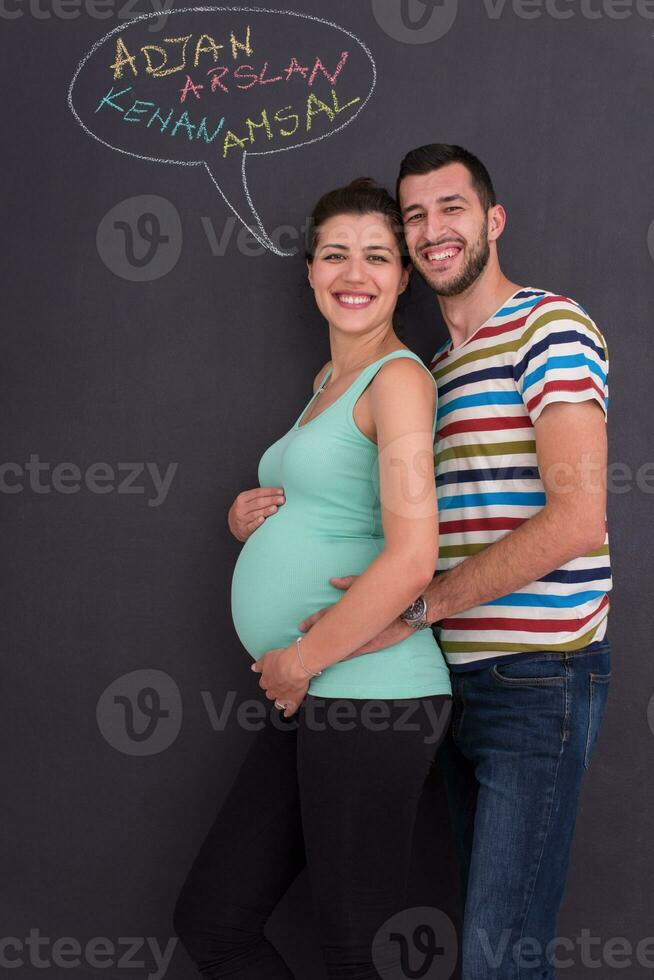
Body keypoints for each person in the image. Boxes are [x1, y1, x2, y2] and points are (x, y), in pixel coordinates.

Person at [294, 145, 612, 979]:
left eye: (453, 208)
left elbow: (578, 518)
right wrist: (267, 513)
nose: (434, 230)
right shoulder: (433, 368)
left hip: (538, 679)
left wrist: (419, 606)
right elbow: (387, 512)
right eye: (416, 215)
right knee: (486, 948)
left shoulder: (550, 327)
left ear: (493, 221)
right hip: (452, 683)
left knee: (500, 961)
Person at [172, 177, 452, 980]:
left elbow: (411, 555)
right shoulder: (328, 385)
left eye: (377, 256)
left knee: (348, 948)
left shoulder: (397, 380)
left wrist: (299, 660)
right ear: (309, 272)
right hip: (324, 689)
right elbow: (332, 505)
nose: (353, 273)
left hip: (371, 688)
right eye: (335, 254)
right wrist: (250, 522)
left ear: (404, 277)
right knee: (213, 916)